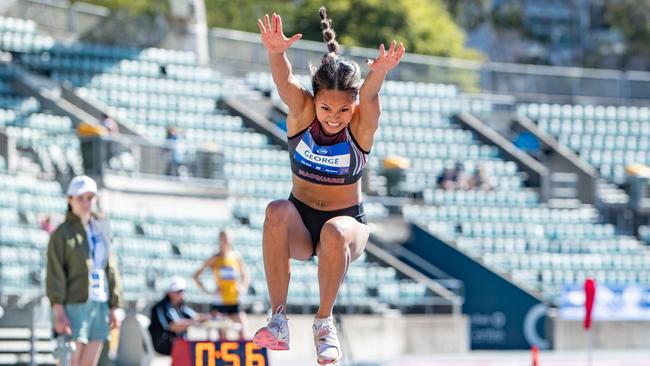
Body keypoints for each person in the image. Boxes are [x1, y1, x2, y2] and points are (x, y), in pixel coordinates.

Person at [253, 8, 405, 364]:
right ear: (314, 99)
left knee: (335, 231)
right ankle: (278, 319)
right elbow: (284, 81)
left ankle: (324, 323)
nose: (334, 118)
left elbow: (368, 96)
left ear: (352, 107)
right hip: (301, 224)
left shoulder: (360, 126)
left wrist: (379, 73)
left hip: (347, 223)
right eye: (326, 108)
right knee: (275, 209)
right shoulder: (302, 113)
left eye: (342, 110)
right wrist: (276, 52)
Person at [46, 175, 122, 366]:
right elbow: (55, 272)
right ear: (69, 199)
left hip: (100, 301)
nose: (86, 203)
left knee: (89, 363)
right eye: (80, 198)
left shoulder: (101, 228)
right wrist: (58, 310)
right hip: (75, 303)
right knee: (70, 361)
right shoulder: (62, 234)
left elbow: (109, 268)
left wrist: (115, 305)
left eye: (90, 198)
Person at [193, 230, 249, 340]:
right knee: (222, 334)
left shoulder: (236, 257)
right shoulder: (215, 258)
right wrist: (206, 289)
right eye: (224, 238)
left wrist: (243, 287)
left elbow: (245, 275)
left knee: (242, 330)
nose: (226, 240)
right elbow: (196, 275)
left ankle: (241, 354)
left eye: (228, 238)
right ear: (219, 239)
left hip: (234, 299)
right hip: (220, 300)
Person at [148, 276, 203, 355]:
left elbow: (196, 316)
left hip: (176, 342)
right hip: (163, 344)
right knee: (192, 350)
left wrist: (210, 317)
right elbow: (173, 326)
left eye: (182, 291)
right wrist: (194, 322)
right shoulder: (161, 307)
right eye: (178, 291)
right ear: (169, 292)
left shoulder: (179, 306)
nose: (181, 294)